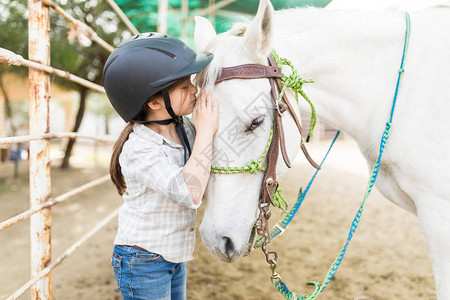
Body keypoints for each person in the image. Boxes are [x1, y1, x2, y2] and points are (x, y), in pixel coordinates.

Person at [103, 32, 218, 300]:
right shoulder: (139, 149)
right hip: (142, 260)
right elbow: (190, 192)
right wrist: (206, 132)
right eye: (183, 87)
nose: (194, 90)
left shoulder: (184, 128)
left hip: (172, 254)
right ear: (154, 102)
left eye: (192, 82)